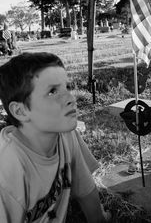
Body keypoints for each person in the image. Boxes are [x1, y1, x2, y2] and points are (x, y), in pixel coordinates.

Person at [0, 52, 111, 223]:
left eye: (67, 87)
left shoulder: (65, 134)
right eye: (52, 92)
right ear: (20, 111)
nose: (70, 98)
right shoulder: (7, 171)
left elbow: (85, 189)